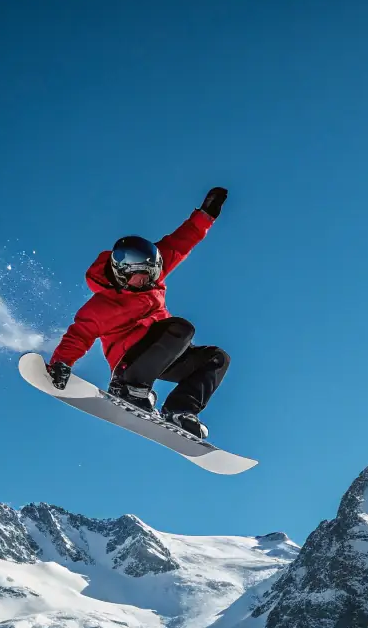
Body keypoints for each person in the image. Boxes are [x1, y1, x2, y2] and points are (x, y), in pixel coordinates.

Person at [45, 187, 230, 439]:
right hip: (131, 361)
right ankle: (128, 387)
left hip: (163, 353)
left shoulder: (154, 272)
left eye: (151, 275)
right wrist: (60, 363)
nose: (148, 282)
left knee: (217, 358)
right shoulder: (102, 305)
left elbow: (183, 240)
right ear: (122, 274)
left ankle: (180, 410)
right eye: (140, 279)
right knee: (181, 328)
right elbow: (79, 335)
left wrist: (206, 215)